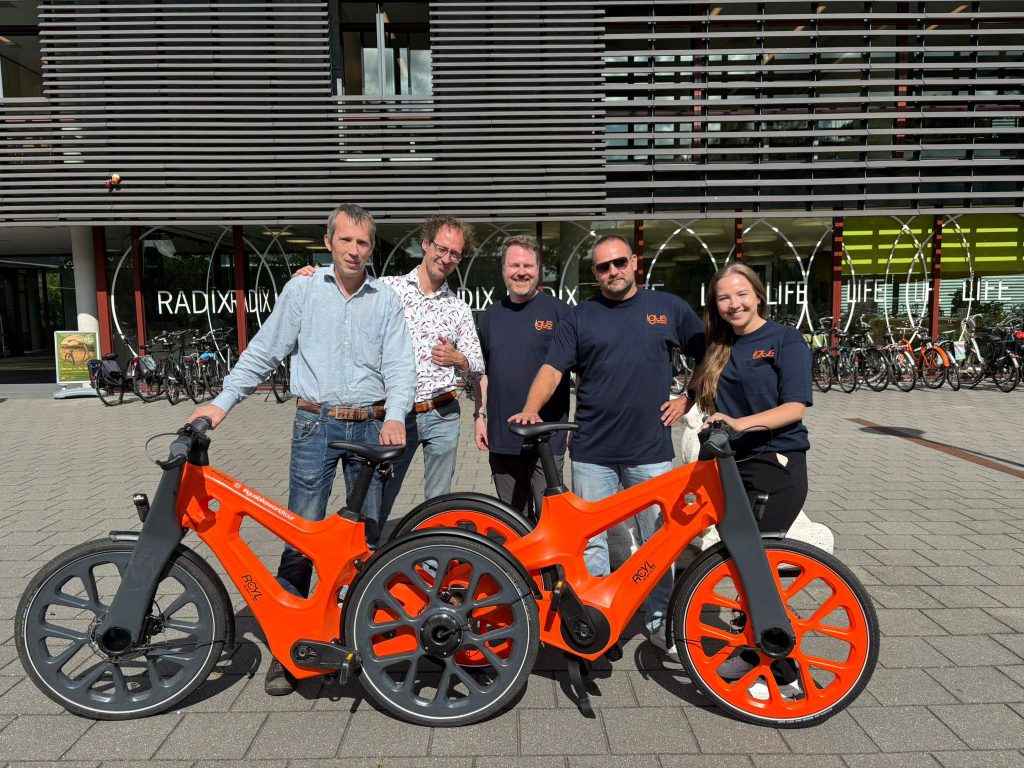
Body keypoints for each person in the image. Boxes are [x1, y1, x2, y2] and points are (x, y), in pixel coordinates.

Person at [188, 203, 416, 696]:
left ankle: (363, 636)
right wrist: (222, 403)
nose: (354, 250)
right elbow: (265, 350)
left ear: (371, 248)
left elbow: (401, 365)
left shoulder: (387, 299)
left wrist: (396, 415)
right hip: (315, 423)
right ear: (329, 241)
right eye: (346, 240)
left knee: (367, 539)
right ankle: (287, 648)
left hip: (371, 427)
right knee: (300, 534)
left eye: (363, 242)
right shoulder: (303, 290)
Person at [510, 234, 706, 661]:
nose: (612, 271)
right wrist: (530, 407)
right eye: (603, 267)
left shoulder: (669, 308)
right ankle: (599, 623)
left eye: (619, 262)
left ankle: (658, 626)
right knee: (591, 544)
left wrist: (687, 398)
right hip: (593, 451)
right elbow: (551, 368)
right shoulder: (581, 318)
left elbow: (709, 354)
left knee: (660, 541)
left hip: (651, 450)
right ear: (594, 273)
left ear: (635, 261)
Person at [294, 215, 485, 519]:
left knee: (438, 504)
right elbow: (345, 285)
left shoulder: (458, 308)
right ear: (426, 244)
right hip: (395, 415)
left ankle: (434, 558)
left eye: (455, 254)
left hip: (443, 414)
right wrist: (314, 276)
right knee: (378, 496)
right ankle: (373, 554)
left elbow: (476, 368)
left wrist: (459, 360)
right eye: (441, 248)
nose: (446, 258)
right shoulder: (386, 288)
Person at [695, 262, 812, 699]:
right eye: (724, 297)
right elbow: (701, 388)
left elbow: (795, 407)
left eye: (741, 294)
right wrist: (684, 401)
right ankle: (751, 652)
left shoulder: (784, 339)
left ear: (758, 295)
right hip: (732, 467)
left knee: (760, 569)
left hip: (775, 466)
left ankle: (785, 673)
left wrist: (739, 423)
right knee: (745, 567)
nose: (734, 304)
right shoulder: (720, 345)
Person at [474, 235, 572, 519]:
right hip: (502, 438)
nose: (521, 272)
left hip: (547, 437)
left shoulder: (559, 312)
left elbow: (582, 371)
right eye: (514, 265)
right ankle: (516, 565)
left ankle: (551, 567)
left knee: (548, 516)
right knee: (510, 518)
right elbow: (484, 374)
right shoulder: (491, 316)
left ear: (538, 269)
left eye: (528, 265)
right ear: (503, 269)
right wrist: (478, 417)